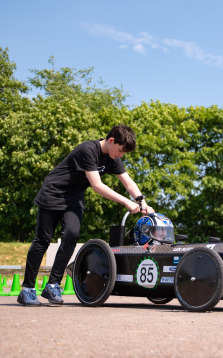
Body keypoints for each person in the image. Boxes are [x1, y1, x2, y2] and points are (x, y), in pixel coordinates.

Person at [17, 125, 155, 306]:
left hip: (74, 198)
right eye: (120, 150)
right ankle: (27, 289)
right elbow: (97, 185)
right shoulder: (88, 150)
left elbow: (127, 181)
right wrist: (126, 202)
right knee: (43, 239)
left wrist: (141, 201)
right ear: (111, 140)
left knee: (71, 235)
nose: (121, 155)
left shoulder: (113, 157)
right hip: (54, 193)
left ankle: (52, 285)